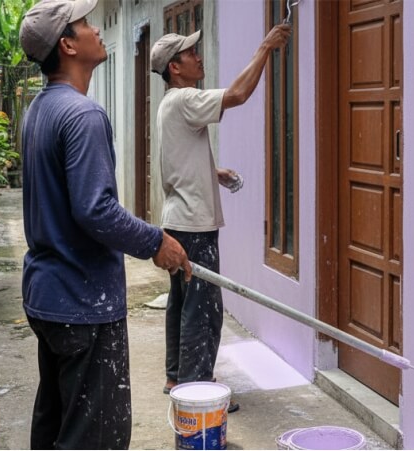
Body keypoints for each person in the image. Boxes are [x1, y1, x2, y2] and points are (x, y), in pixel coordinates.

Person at [18, 0, 191, 448]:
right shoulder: (83, 115)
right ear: (68, 45)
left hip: (47, 297)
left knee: (56, 425)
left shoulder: (39, 110)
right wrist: (156, 242)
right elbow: (95, 210)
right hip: (82, 302)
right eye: (84, 24)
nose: (96, 29)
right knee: (96, 437)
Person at [150, 24, 291, 412]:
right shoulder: (184, 98)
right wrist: (266, 47)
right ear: (175, 67)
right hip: (194, 224)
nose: (199, 58)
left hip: (179, 221)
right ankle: (196, 387)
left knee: (182, 302)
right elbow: (238, 94)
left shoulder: (169, 104)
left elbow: (177, 161)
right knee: (204, 309)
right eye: (190, 54)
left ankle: (176, 376)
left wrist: (213, 173)